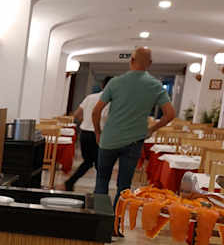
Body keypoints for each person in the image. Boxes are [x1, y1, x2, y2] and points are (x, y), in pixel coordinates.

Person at [93, 47, 175, 204]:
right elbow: (170, 114)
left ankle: (99, 214)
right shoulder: (155, 85)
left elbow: (96, 112)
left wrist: (98, 132)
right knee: (124, 186)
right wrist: (152, 129)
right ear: (150, 63)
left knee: (102, 180)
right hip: (134, 141)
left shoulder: (115, 82)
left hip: (109, 138)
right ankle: (116, 217)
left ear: (131, 60)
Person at [64, 76, 111, 190]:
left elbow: (76, 114)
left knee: (89, 161)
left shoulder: (90, 97)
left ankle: (70, 183)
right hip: (99, 134)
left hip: (85, 133)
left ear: (102, 86)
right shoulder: (111, 101)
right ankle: (99, 189)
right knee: (99, 163)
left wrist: (86, 121)